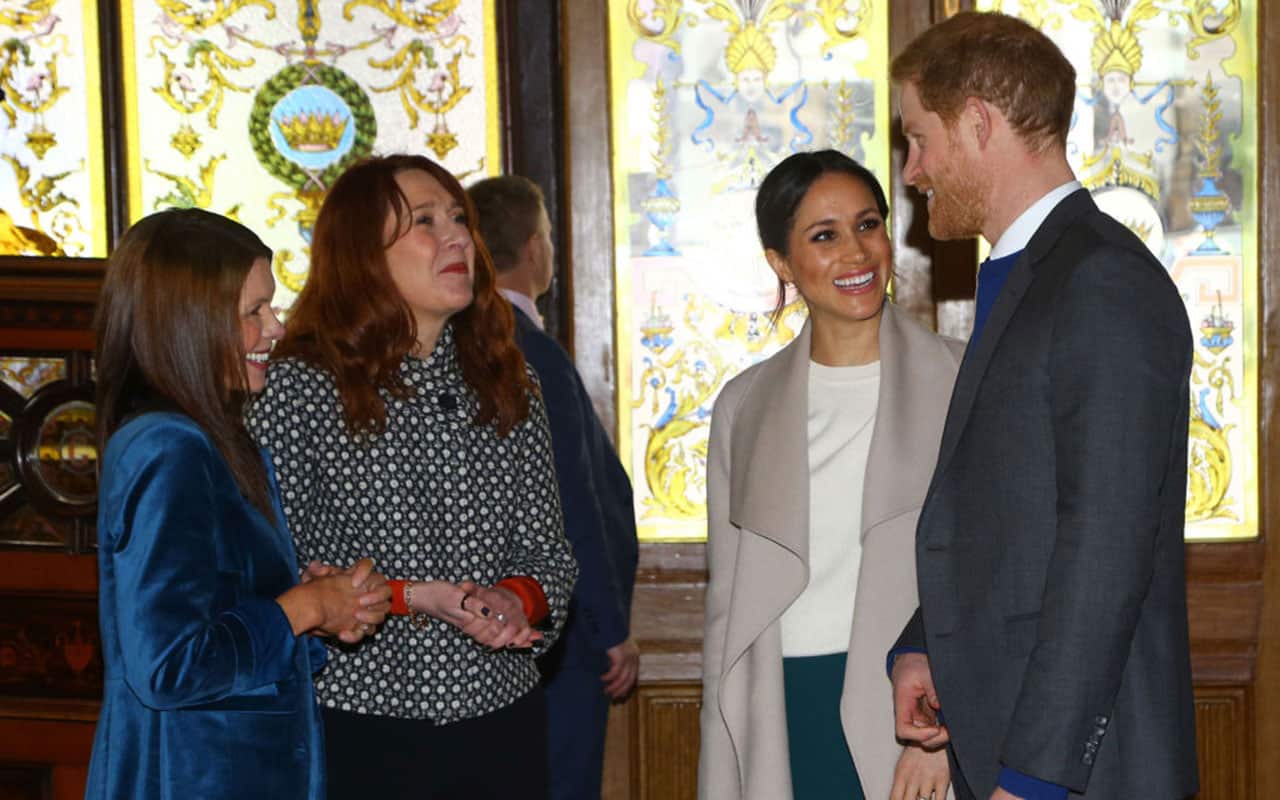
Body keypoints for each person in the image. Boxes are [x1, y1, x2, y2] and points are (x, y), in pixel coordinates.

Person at [887, 12, 1198, 800]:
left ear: (979, 123)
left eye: (919, 138)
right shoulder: (1032, 272)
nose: (913, 170)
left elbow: (1106, 549)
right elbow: (1006, 510)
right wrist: (926, 646)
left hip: (1087, 771)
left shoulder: (1103, 283)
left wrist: (1033, 779)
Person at [247, 154, 578, 799]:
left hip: (500, 717)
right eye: (425, 222)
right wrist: (406, 596)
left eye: (460, 218)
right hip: (359, 722)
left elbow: (550, 552)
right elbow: (270, 573)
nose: (457, 236)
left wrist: (516, 599)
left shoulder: (510, 381)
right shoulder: (298, 386)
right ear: (363, 255)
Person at [87, 208, 390, 799]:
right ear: (187, 323)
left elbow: (212, 619)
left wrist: (318, 610)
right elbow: (168, 665)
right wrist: (300, 608)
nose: (275, 328)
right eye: (253, 312)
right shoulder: (170, 450)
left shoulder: (211, 439)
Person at [698, 150, 963, 800]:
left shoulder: (963, 379)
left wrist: (949, 724)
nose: (856, 252)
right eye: (824, 235)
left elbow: (994, 571)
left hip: (915, 696)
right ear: (781, 263)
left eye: (868, 224)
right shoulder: (744, 406)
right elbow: (728, 605)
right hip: (786, 703)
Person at [468, 175, 641, 800]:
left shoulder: (471, 347)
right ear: (535, 248)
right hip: (556, 639)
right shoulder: (527, 352)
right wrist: (609, 626)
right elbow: (574, 501)